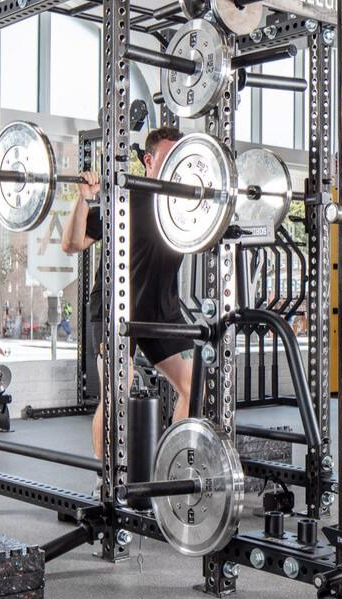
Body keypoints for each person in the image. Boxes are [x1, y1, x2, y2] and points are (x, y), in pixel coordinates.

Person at [61, 127, 194, 459]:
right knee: (118, 388)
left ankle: (172, 468)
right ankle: (106, 482)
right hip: (114, 309)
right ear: (149, 160)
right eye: (168, 157)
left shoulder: (185, 207)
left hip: (160, 310)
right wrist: (83, 199)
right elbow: (72, 244)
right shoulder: (126, 199)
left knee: (195, 387)